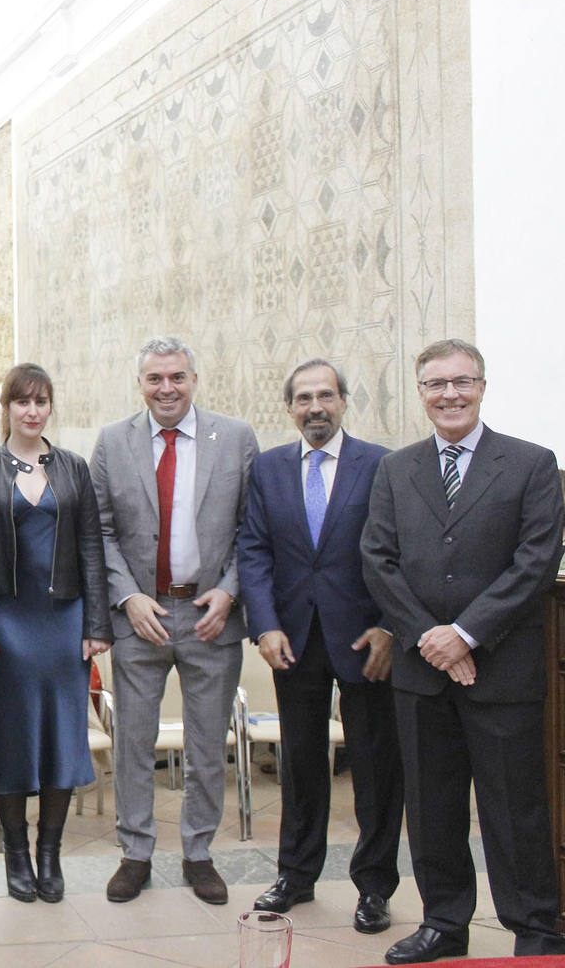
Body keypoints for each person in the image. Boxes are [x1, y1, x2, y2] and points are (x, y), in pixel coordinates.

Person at [362, 339, 565, 963]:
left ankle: (536, 928)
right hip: (423, 673)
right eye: (435, 384)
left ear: (482, 386)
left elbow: (536, 562)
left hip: (502, 669)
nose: (449, 394)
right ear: (420, 392)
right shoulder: (397, 469)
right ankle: (444, 923)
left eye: (462, 381)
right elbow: (378, 560)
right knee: (431, 807)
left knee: (514, 807)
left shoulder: (533, 464)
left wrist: (466, 634)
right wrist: (433, 638)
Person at [89, 336, 258, 905]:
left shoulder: (234, 439)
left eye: (177, 377)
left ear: (193, 378)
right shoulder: (114, 442)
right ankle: (135, 853)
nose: (167, 388)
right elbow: (101, 531)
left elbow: (250, 531)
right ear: (140, 383)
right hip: (140, 616)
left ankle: (199, 852)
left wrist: (229, 593)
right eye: (155, 379)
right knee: (134, 743)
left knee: (207, 745)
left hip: (211, 617)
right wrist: (128, 597)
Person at [236, 358, 403, 934]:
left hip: (365, 641)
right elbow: (253, 551)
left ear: (344, 401)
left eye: (325, 396)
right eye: (303, 398)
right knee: (301, 764)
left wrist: (389, 625)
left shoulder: (381, 465)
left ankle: (375, 886)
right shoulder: (269, 468)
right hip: (294, 641)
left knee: (377, 769)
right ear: (289, 408)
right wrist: (265, 625)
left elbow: (399, 553)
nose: (315, 407)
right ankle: (296, 876)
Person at [0, 363, 110, 904]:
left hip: (63, 622)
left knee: (59, 739)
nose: (31, 411)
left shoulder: (73, 468)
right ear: (5, 407)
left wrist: (97, 624)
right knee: (8, 737)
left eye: (41, 402)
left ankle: (50, 854)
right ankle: (16, 852)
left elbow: (92, 548)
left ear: (50, 408)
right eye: (22, 402)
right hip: (4, 621)